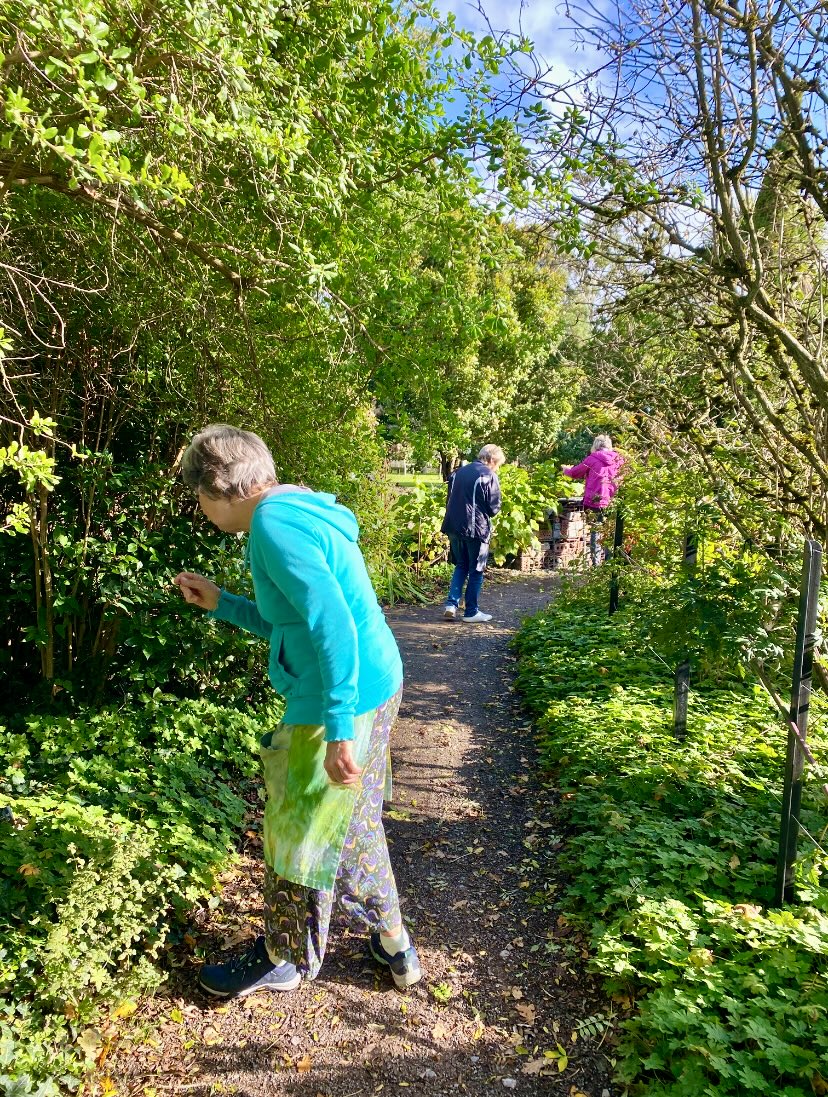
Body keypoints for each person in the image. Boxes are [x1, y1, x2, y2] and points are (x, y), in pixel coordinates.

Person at [173, 424, 421, 997]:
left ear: (219, 488)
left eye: (200, 499)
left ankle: (283, 955)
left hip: (344, 697)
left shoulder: (272, 527)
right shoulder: (297, 508)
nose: (202, 511)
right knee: (352, 824)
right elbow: (295, 624)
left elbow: (333, 625)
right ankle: (394, 943)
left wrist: (337, 727)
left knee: (297, 830)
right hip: (375, 680)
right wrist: (223, 603)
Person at [441, 443, 505, 623]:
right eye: (498, 464)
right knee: (477, 569)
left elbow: (449, 499)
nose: (497, 468)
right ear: (491, 460)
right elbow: (493, 508)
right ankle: (471, 612)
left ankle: (451, 605)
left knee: (461, 565)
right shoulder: (488, 475)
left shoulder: (457, 473)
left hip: (453, 526)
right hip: (476, 529)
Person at [563, 434, 625, 566]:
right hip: (613, 501)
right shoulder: (619, 460)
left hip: (594, 501)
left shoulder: (592, 459)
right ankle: (609, 563)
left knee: (596, 531)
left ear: (595, 446)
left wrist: (565, 470)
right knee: (610, 532)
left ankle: (596, 564)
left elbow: (575, 473)